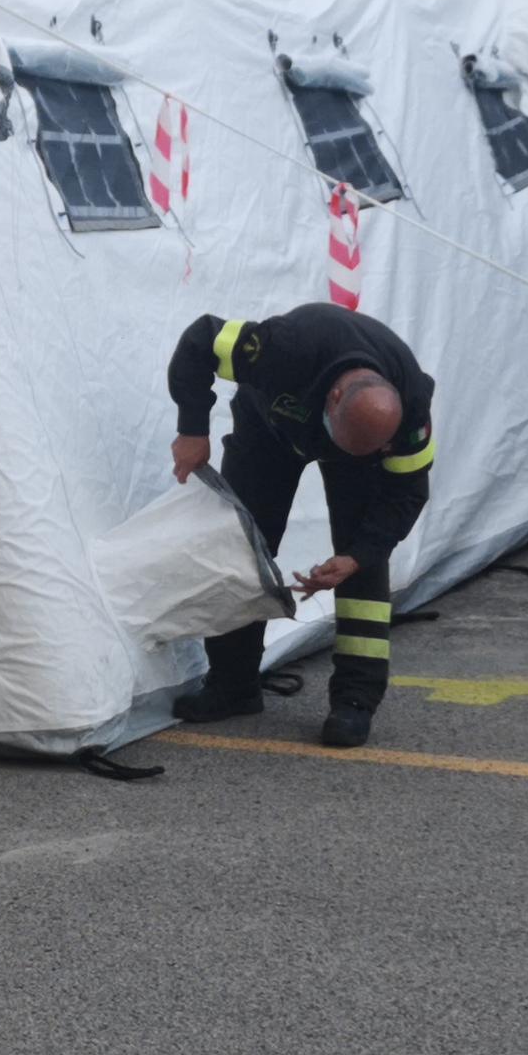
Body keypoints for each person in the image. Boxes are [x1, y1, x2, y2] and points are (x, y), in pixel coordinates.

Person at [164, 302, 438, 750]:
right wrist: (192, 429)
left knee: (365, 562)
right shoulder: (283, 348)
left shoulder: (410, 408)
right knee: (242, 545)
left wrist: (356, 555)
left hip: (359, 451)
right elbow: (201, 339)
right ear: (333, 397)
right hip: (270, 428)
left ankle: (354, 701)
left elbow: (407, 494)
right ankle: (233, 685)